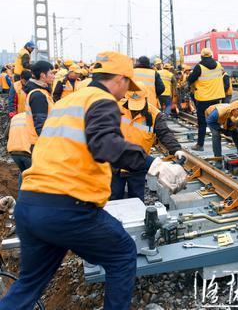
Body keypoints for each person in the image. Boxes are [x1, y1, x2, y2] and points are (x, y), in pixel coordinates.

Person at [0, 51, 187, 310]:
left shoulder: (68, 102)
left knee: (29, 284)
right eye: (126, 86)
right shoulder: (102, 99)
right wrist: (151, 164)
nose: (124, 95)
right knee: (122, 254)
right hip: (66, 207)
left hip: (30, 204)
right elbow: (104, 144)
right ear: (120, 79)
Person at [111, 84, 182, 201]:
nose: (135, 109)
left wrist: (176, 149)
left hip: (138, 163)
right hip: (116, 163)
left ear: (146, 98)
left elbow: (164, 133)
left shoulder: (154, 114)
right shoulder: (115, 108)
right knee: (114, 197)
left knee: (136, 198)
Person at [187, 48, 225, 151]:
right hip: (216, 98)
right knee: (215, 122)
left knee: (202, 123)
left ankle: (200, 145)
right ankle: (217, 146)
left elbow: (190, 79)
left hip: (203, 99)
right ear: (211, 55)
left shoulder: (199, 67)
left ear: (201, 56)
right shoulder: (218, 64)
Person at [24, 61, 55, 148]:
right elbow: (40, 125)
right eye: (51, 73)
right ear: (42, 75)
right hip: (41, 143)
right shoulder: (38, 95)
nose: (54, 76)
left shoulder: (42, 92)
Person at [7, 112, 32, 187]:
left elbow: (6, 135)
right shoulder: (32, 116)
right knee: (33, 176)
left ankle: (21, 195)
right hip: (27, 151)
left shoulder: (15, 117)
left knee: (23, 173)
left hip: (13, 152)